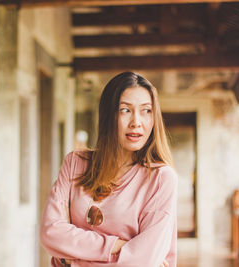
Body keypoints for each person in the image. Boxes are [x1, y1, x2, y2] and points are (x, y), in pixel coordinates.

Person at [40, 72, 178, 267]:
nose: (137, 122)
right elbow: (50, 233)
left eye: (146, 111)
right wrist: (116, 245)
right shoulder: (74, 164)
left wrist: (72, 259)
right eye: (125, 110)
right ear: (108, 115)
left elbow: (142, 262)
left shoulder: (161, 178)